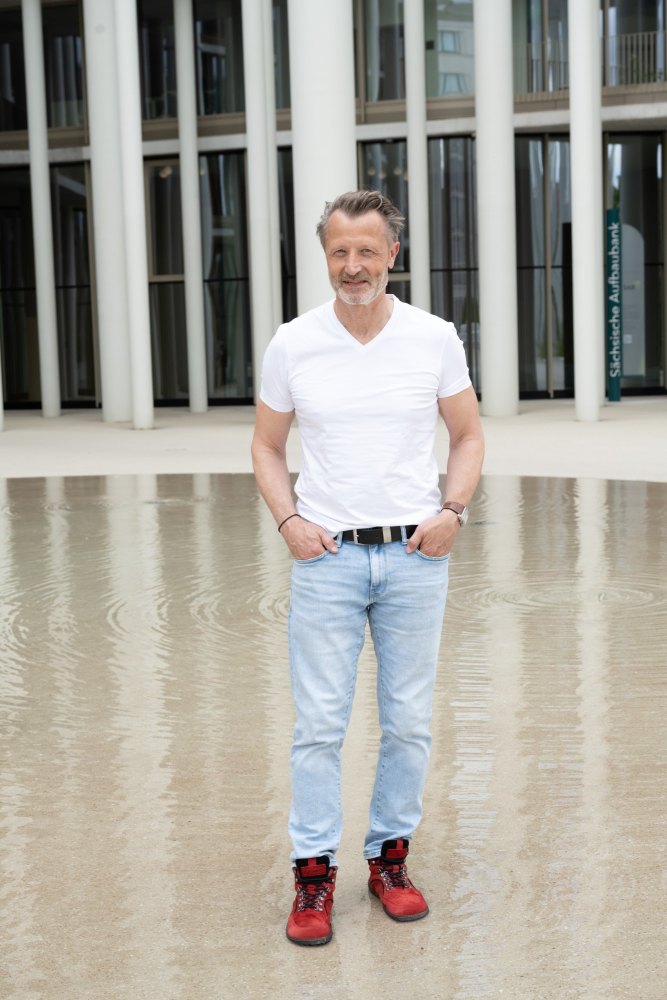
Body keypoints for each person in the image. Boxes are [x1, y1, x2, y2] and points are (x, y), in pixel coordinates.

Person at [251, 189, 484, 946]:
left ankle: (389, 861)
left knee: (408, 723)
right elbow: (266, 446)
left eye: (366, 251)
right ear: (326, 256)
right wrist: (289, 521)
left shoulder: (432, 338)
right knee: (319, 725)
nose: (353, 265)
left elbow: (467, 434)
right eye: (339, 252)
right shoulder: (293, 343)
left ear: (392, 255)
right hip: (327, 558)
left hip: (415, 557)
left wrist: (453, 511)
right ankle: (313, 874)